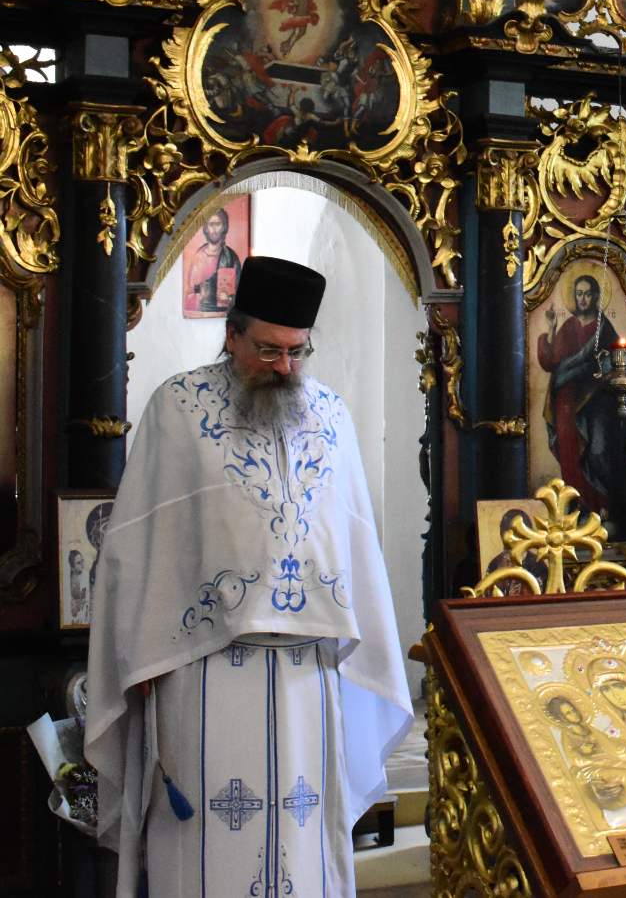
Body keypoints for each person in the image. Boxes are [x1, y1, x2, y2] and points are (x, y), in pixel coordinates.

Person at [85, 256, 412, 898]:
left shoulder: (331, 415)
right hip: (203, 671)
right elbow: (139, 542)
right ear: (232, 334)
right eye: (268, 349)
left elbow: (353, 539)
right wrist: (138, 652)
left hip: (308, 675)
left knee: (304, 838)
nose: (284, 367)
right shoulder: (178, 407)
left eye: (296, 351)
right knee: (209, 839)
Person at [536, 274, 626, 526]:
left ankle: (602, 507)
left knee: (598, 452)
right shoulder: (569, 326)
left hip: (595, 401)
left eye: (587, 294)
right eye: (578, 293)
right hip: (566, 402)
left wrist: (597, 371)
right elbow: (551, 362)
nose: (582, 299)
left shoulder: (603, 328)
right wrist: (551, 328)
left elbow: (615, 362)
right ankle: (578, 507)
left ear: (596, 296)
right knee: (570, 454)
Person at [184, 208, 243, 316]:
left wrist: (229, 298)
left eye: (218, 224)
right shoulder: (199, 256)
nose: (214, 229)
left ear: (224, 227)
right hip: (202, 314)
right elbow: (191, 289)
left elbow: (240, 292)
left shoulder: (231, 257)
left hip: (224, 316)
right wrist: (199, 292)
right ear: (206, 228)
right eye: (211, 224)